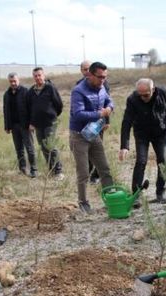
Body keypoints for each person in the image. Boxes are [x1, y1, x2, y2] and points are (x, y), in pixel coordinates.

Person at [119, 78, 166, 205]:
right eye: (140, 95)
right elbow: (126, 122)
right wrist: (124, 146)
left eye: (146, 95)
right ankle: (136, 195)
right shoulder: (132, 99)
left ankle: (160, 192)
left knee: (163, 161)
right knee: (141, 161)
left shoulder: (162, 93)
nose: (143, 98)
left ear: (153, 89)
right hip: (141, 134)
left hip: (160, 132)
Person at [69, 62, 115, 214]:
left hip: (94, 134)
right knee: (83, 172)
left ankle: (111, 198)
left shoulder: (101, 87)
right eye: (100, 77)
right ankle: (83, 203)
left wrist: (109, 108)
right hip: (79, 136)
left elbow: (109, 100)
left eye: (105, 77)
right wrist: (99, 114)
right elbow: (78, 113)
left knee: (104, 168)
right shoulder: (79, 91)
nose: (103, 80)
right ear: (90, 74)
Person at [26, 67, 63, 179]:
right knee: (43, 147)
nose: (38, 77)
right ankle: (51, 169)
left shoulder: (50, 88)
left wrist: (52, 115)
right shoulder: (31, 92)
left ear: (44, 76)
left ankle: (58, 171)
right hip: (37, 125)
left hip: (50, 123)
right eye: (35, 76)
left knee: (51, 146)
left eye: (39, 75)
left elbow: (59, 104)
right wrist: (31, 123)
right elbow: (29, 108)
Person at [78, 60, 110, 185]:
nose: (86, 71)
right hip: (84, 125)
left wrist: (106, 120)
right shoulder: (79, 86)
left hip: (98, 124)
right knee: (86, 151)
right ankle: (90, 174)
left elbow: (107, 103)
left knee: (98, 150)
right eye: (84, 69)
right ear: (81, 71)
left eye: (88, 69)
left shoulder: (102, 83)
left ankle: (97, 174)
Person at [3, 72, 37, 177]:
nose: (13, 83)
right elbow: (6, 111)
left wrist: (32, 123)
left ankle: (33, 169)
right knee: (19, 149)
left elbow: (32, 109)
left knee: (30, 148)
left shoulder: (25, 92)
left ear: (18, 80)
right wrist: (7, 126)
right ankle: (22, 169)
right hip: (14, 126)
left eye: (15, 81)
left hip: (25, 125)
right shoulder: (7, 94)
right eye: (11, 81)